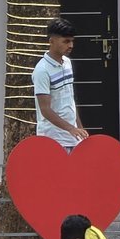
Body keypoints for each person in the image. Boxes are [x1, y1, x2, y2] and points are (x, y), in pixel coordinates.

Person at [33, 18, 87, 149]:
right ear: (51, 41)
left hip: (73, 138)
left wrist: (79, 127)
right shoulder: (42, 70)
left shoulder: (67, 63)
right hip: (53, 139)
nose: (71, 45)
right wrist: (71, 129)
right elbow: (45, 109)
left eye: (72, 41)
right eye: (66, 41)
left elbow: (70, 100)